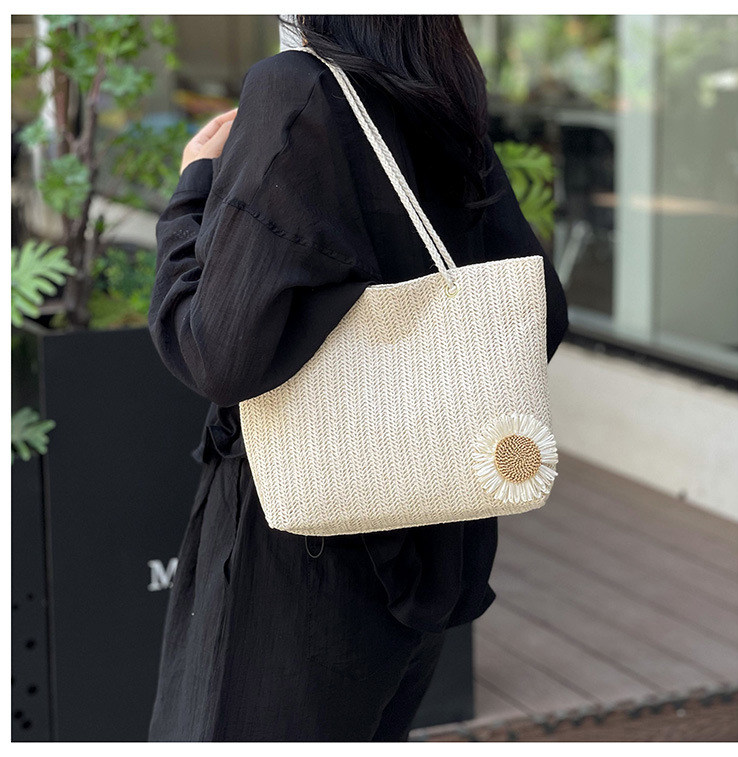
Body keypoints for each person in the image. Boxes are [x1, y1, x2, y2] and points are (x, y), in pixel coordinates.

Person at [146, 15, 569, 742]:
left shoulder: (297, 90)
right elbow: (541, 315)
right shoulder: (436, 93)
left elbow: (216, 354)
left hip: (300, 552)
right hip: (431, 543)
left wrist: (192, 190)